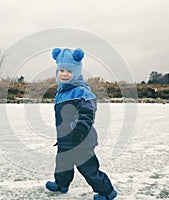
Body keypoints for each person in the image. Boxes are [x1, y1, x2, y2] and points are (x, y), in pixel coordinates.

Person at [45, 48, 117, 200]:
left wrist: (79, 132)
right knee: (62, 165)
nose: (64, 74)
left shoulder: (81, 92)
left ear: (76, 72)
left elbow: (87, 115)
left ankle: (107, 192)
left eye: (69, 71)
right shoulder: (61, 92)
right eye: (61, 70)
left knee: (89, 169)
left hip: (80, 140)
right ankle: (61, 184)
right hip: (65, 140)